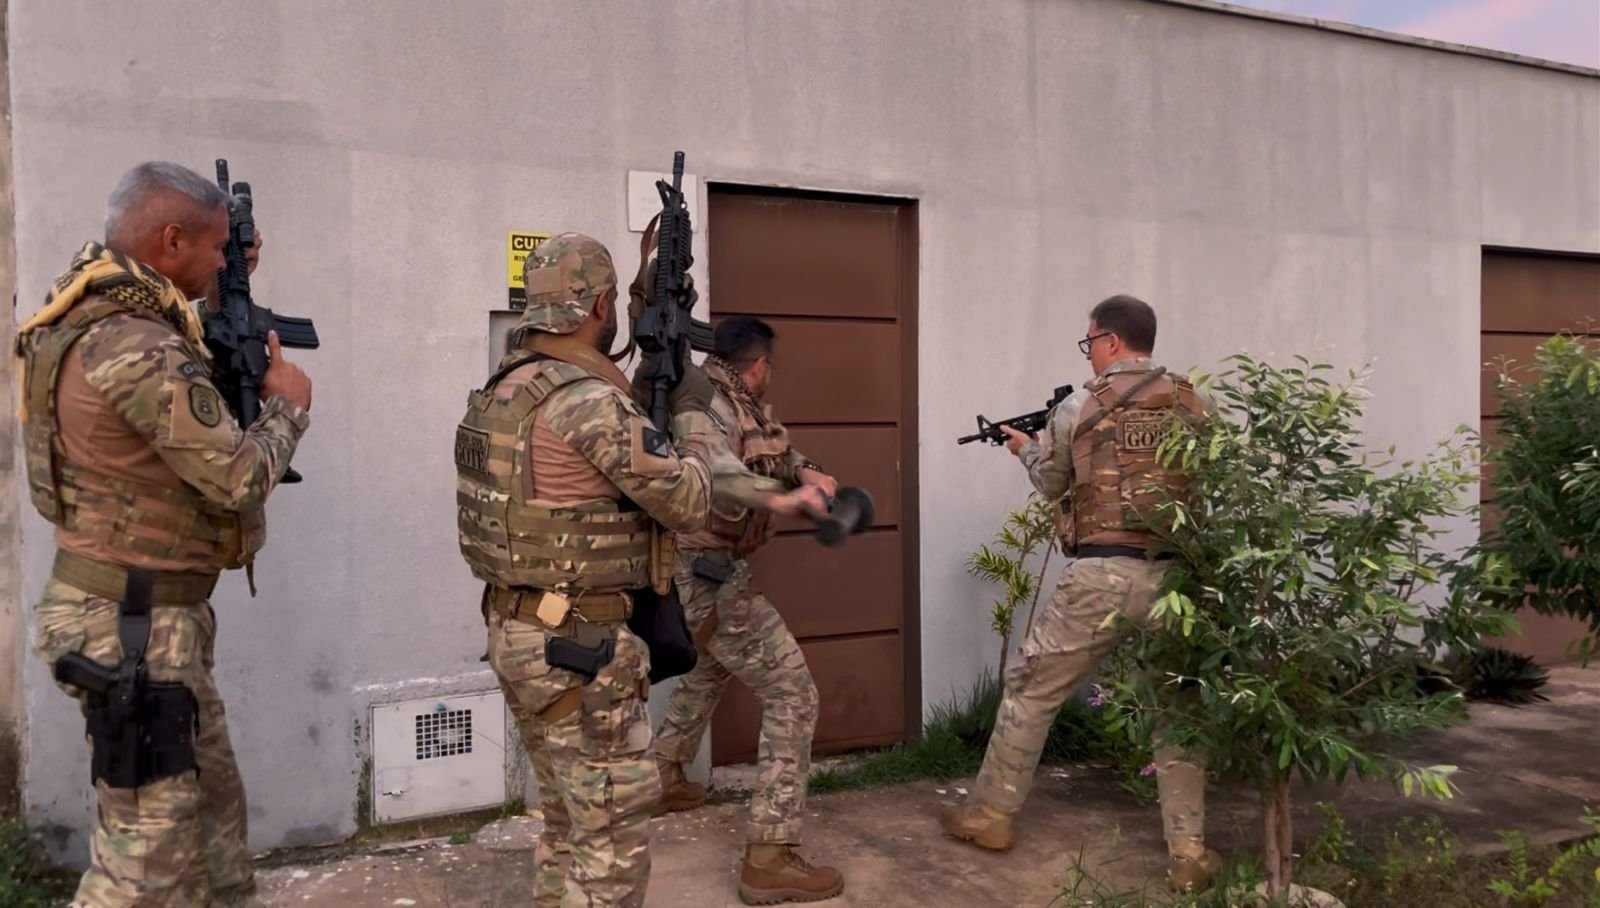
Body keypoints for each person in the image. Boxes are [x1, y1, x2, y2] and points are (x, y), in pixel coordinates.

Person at [453, 234, 825, 908]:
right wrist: (690, 432)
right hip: (577, 646)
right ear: (601, 305)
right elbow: (685, 499)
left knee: (567, 828)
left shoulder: (502, 390)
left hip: (518, 628)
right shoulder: (588, 400)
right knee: (611, 861)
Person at [18, 161, 313, 906]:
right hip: (133, 630)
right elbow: (238, 476)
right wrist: (287, 407)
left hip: (145, 618)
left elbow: (185, 357)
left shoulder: (105, 314)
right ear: (171, 241)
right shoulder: (135, 344)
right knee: (145, 864)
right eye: (214, 249)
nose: (223, 262)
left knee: (210, 836)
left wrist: (224, 282)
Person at [937, 294, 1221, 893]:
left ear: (1112, 341)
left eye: (1090, 341)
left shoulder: (1079, 406)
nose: (1089, 352)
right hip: (1176, 579)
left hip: (1102, 575)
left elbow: (1052, 482)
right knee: (1177, 711)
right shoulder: (1196, 400)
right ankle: (1189, 854)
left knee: (1032, 690)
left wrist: (1024, 450)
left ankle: (990, 816)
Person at [652, 316, 844, 905]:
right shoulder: (703, 407)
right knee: (793, 694)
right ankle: (769, 856)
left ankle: (662, 774)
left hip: (714, 574)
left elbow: (771, 451)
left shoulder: (737, 403)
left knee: (712, 667)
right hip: (705, 575)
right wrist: (785, 499)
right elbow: (720, 472)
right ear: (758, 366)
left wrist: (805, 469)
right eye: (771, 366)